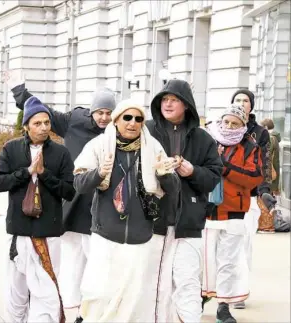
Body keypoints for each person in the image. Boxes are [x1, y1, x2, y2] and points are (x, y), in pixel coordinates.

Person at [7, 73, 116, 322]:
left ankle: (91, 310)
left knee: (97, 263)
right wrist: (18, 91)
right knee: (72, 264)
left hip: (98, 208)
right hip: (72, 206)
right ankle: (71, 309)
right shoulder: (74, 122)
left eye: (108, 112)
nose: (104, 117)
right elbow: (42, 112)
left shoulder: (117, 132)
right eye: (100, 112)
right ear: (91, 111)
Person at [72, 99, 180, 322]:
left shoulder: (153, 148)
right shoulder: (99, 146)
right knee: (98, 293)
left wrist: (163, 174)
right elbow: (80, 184)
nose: (133, 123)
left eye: (138, 119)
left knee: (131, 298)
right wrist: (99, 173)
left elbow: (174, 188)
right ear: (116, 120)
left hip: (139, 237)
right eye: (127, 118)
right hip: (105, 233)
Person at [0, 96, 75, 323]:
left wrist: (45, 174)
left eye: (47, 122)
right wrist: (26, 172)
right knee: (17, 292)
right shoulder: (12, 149)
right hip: (20, 232)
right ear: (26, 125)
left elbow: (69, 191)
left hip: (49, 233)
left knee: (46, 294)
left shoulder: (61, 153)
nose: (44, 127)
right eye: (37, 123)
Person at [145, 79, 223, 322]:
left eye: (174, 100)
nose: (167, 104)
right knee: (154, 284)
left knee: (188, 281)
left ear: (186, 105)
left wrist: (193, 172)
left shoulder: (203, 138)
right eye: (164, 99)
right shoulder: (146, 131)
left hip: (188, 222)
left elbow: (213, 178)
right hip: (152, 222)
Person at [202, 104, 264, 323]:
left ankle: (223, 306)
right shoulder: (208, 139)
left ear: (243, 125)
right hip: (207, 211)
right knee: (205, 260)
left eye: (235, 123)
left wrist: (225, 167)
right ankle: (202, 296)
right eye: (226, 121)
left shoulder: (250, 146)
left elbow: (254, 177)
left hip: (235, 211)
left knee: (228, 262)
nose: (229, 126)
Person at [230, 89, 276, 309]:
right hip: (223, 199)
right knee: (222, 248)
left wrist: (265, 192)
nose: (241, 103)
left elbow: (264, 166)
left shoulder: (260, 133)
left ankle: (239, 292)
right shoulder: (222, 127)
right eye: (237, 100)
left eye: (245, 101)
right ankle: (221, 290)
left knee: (243, 245)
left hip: (248, 199)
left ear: (251, 106)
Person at [258, 118, 281, 233]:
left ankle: (266, 224)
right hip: (271, 174)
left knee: (264, 198)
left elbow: (272, 160)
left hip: (265, 173)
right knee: (268, 198)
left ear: (265, 127)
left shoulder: (269, 138)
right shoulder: (276, 139)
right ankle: (269, 222)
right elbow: (276, 162)